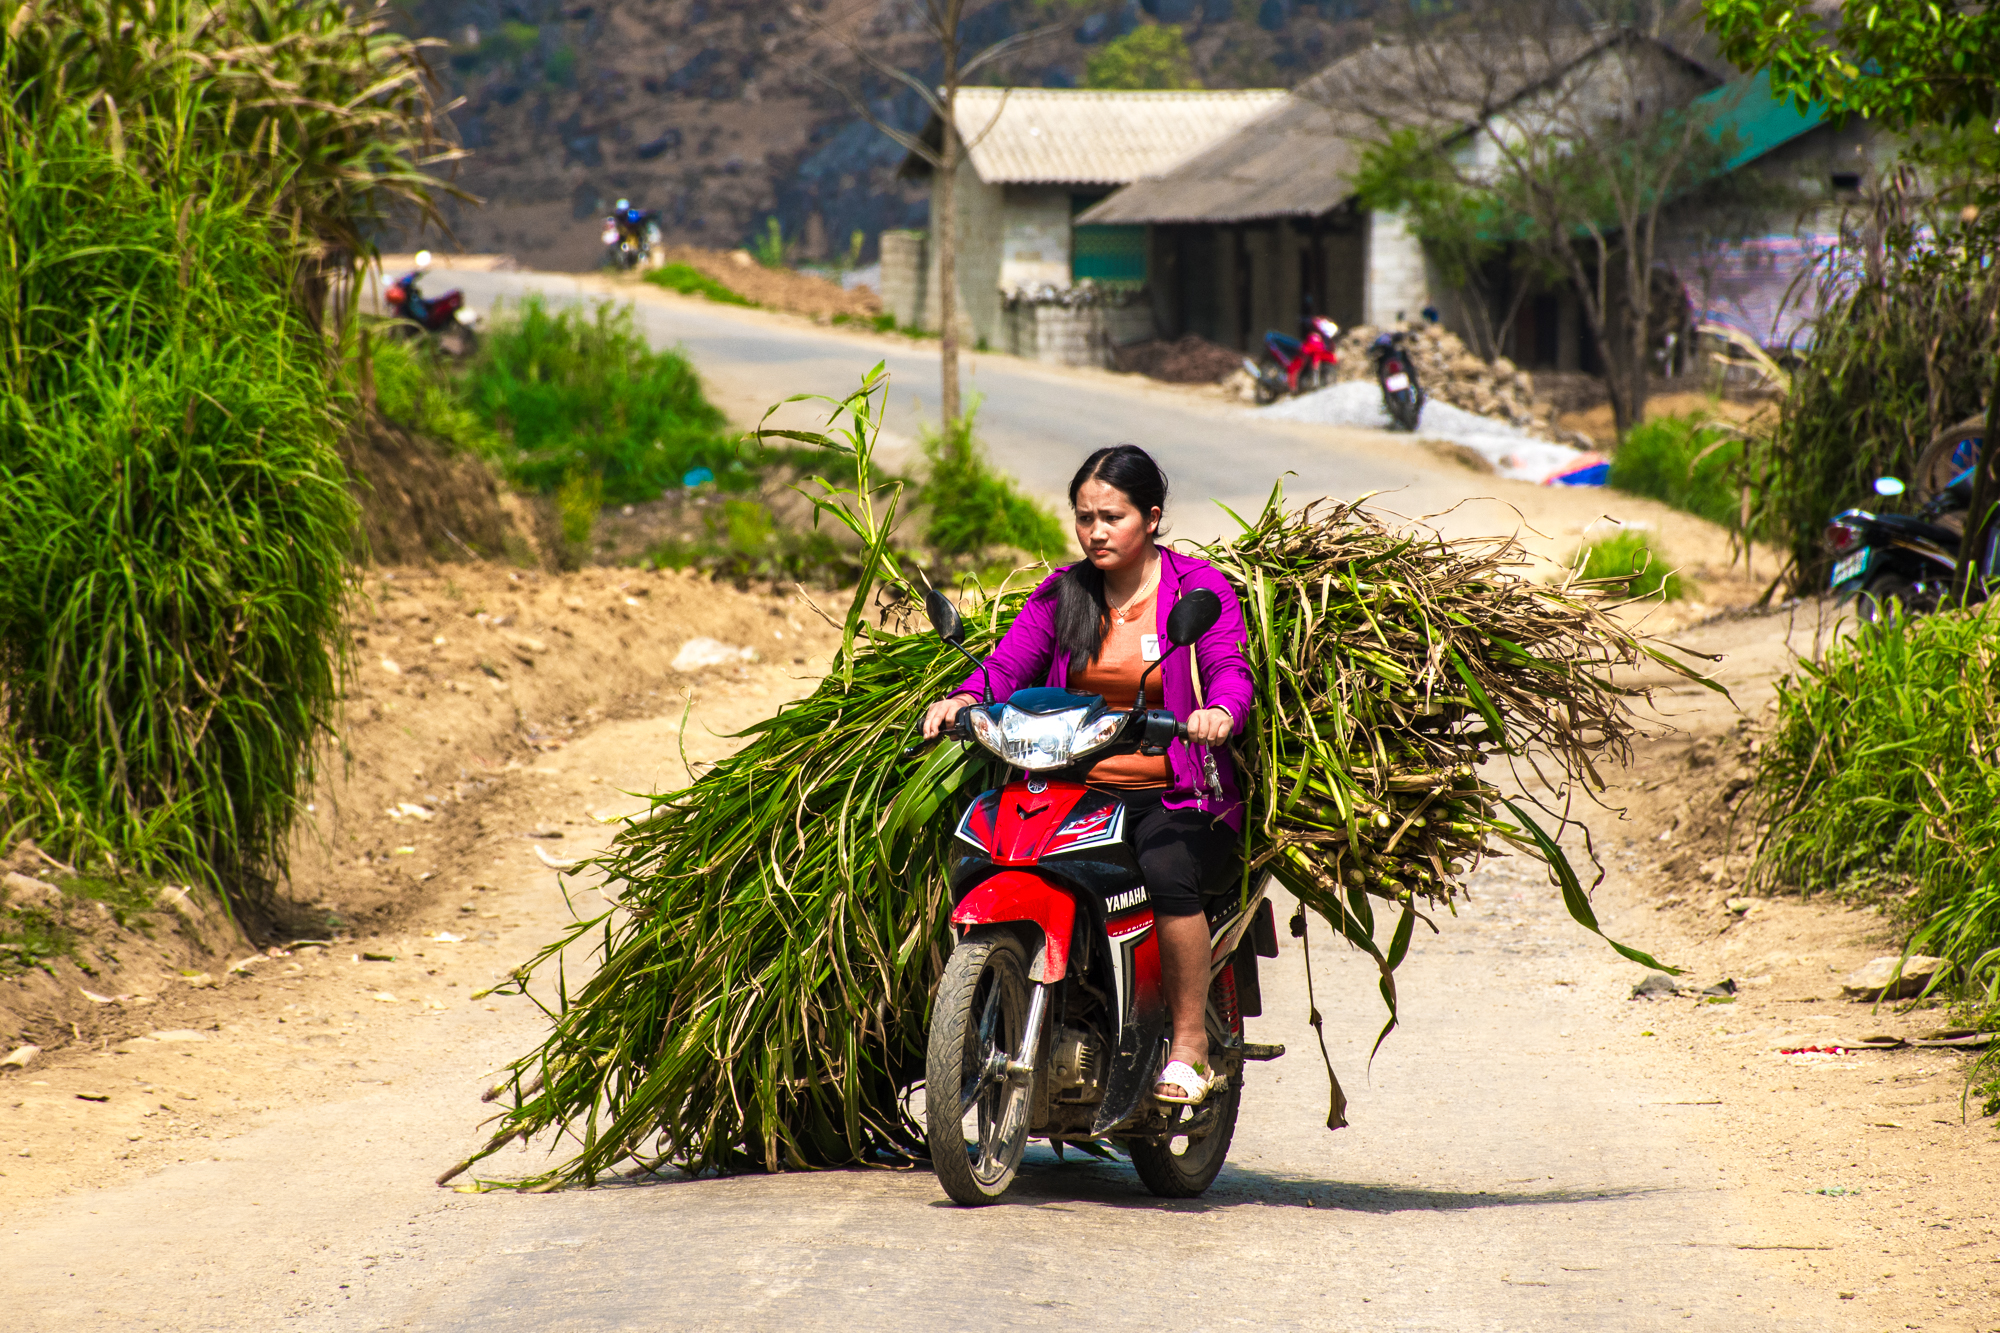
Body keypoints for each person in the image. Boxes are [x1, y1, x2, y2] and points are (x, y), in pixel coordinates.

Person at [921, 445, 1253, 1106]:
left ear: (1152, 518)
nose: (1097, 531)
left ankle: (1188, 1044)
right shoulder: (1062, 594)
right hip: (1076, 788)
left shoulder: (1198, 590)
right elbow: (1007, 665)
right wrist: (963, 698)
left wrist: (1219, 711)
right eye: (1084, 517)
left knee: (1168, 870)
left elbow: (1227, 666)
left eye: (1113, 516)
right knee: (987, 847)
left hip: (1174, 793)